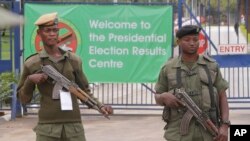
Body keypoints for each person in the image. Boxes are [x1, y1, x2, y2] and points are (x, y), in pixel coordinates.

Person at [17, 12, 113, 141]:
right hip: (47, 127)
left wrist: (100, 106)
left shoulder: (74, 60)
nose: (52, 34)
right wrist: (30, 80)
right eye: (47, 31)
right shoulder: (33, 63)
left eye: (55, 30)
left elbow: (84, 91)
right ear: (39, 34)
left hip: (73, 127)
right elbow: (23, 99)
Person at [154, 25, 230, 141]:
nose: (192, 43)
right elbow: (157, 96)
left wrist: (225, 126)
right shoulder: (168, 68)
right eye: (187, 40)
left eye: (195, 39)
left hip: (209, 132)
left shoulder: (211, 66)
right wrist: (163, 97)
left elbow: (222, 96)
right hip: (178, 134)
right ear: (179, 42)